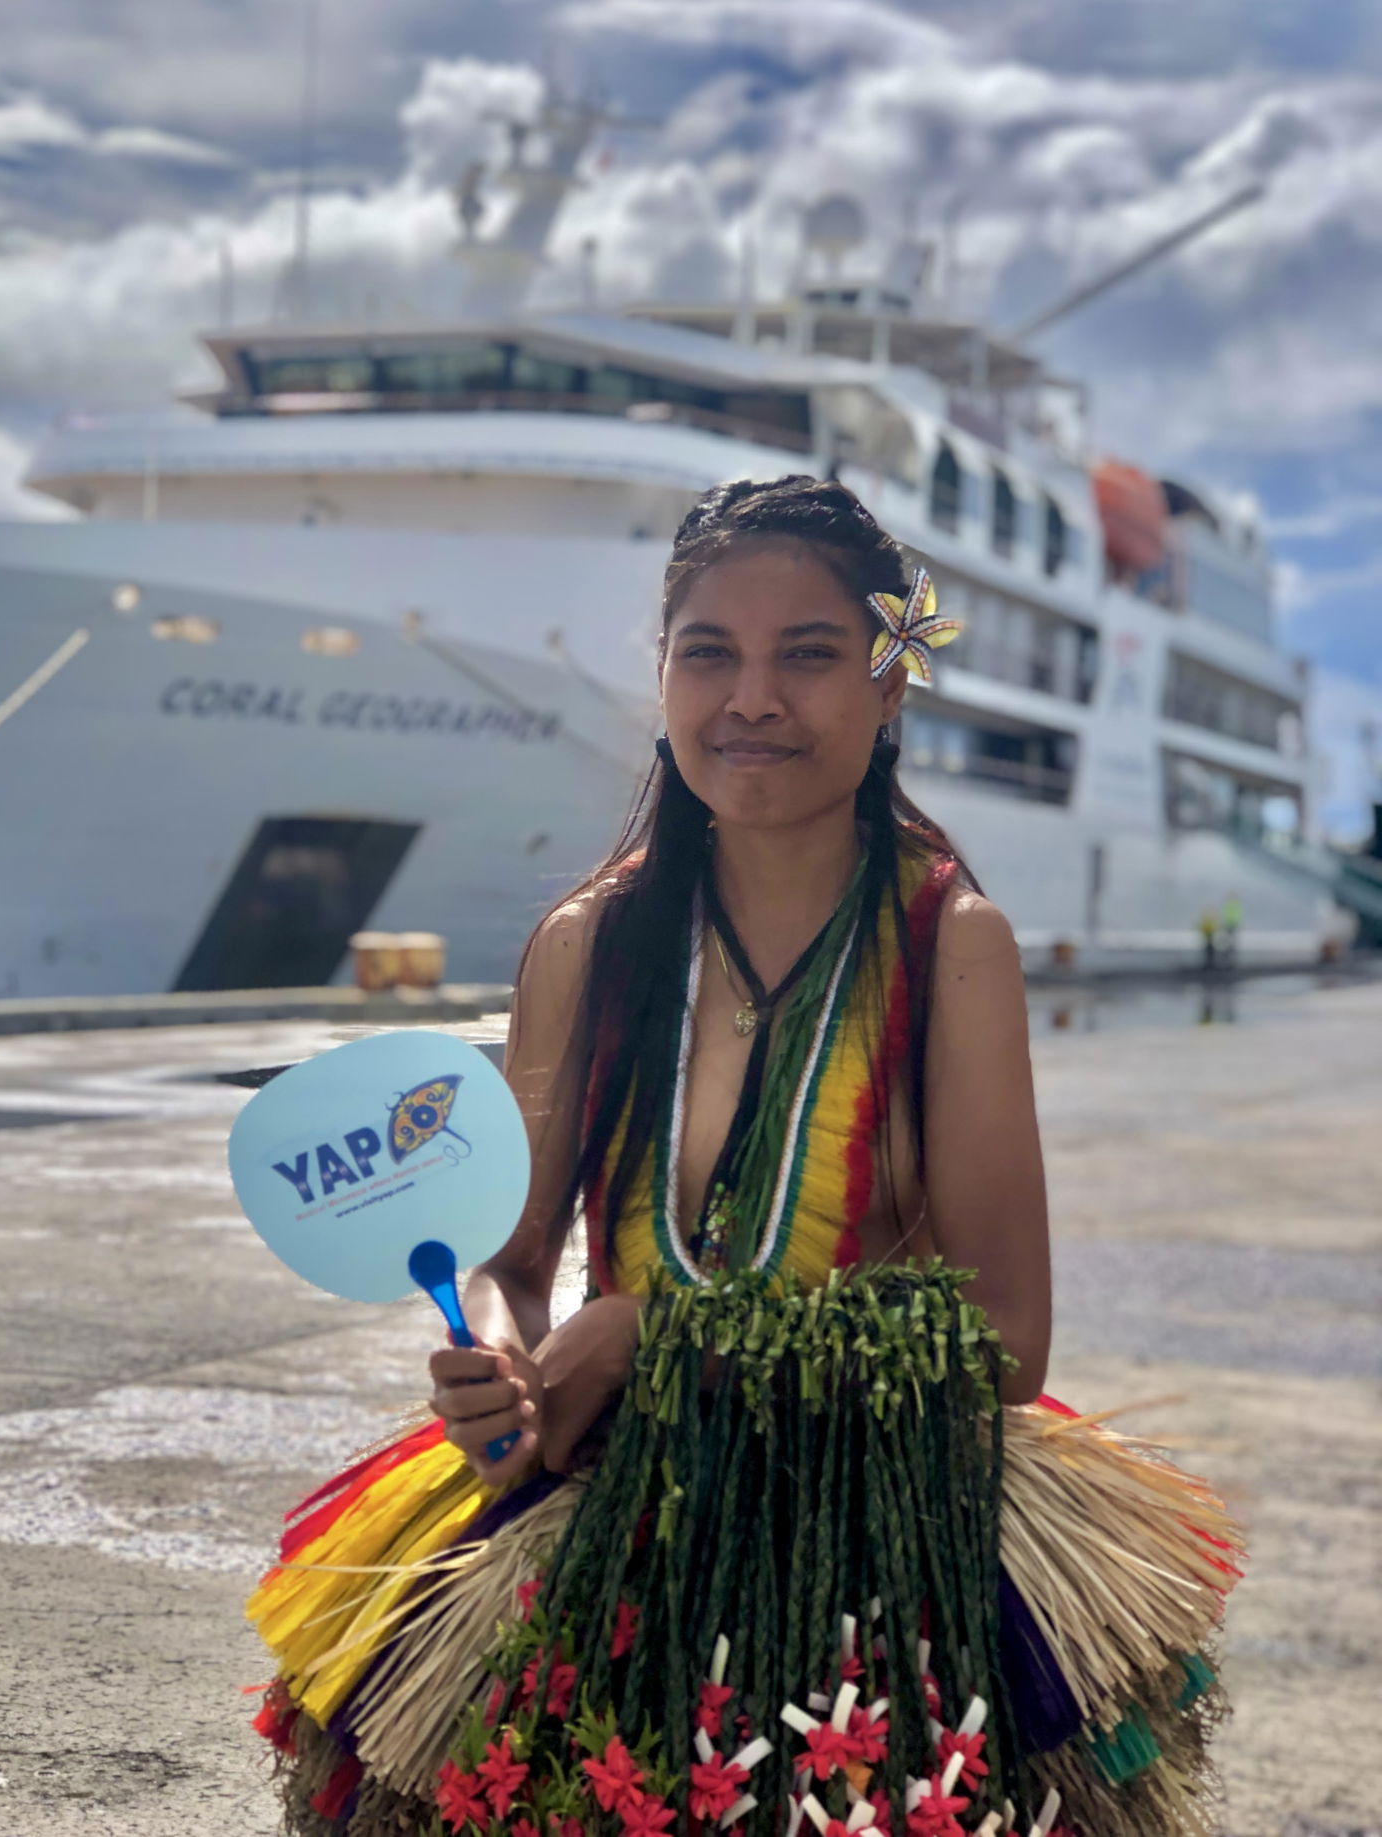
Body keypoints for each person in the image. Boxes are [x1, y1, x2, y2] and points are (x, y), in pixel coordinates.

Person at [248, 478, 1241, 1837]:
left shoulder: (954, 945)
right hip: (597, 1507)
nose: (753, 697)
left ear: (893, 683)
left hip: (872, 1528)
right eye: (707, 651)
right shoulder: (585, 946)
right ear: (660, 674)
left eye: (810, 654)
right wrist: (503, 1368)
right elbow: (519, 1257)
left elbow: (1010, 1345)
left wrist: (659, 1333)